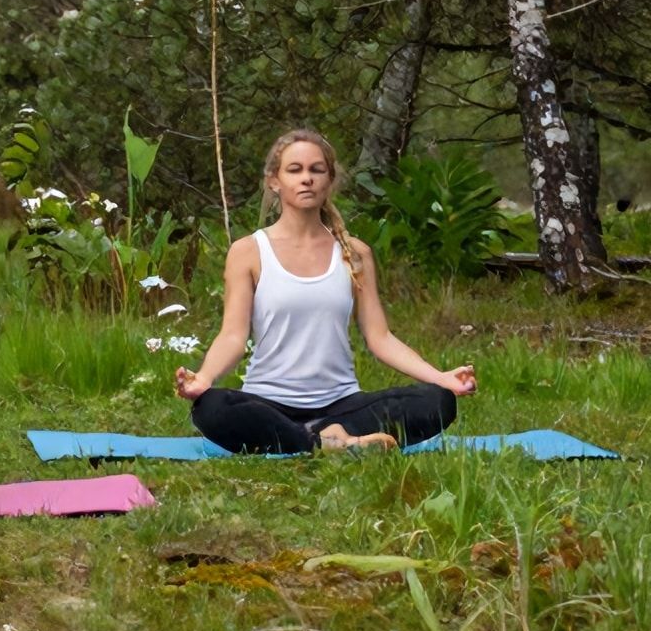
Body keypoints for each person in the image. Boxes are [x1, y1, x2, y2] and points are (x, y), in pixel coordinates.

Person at [174, 129, 477, 453]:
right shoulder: (248, 251)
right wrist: (204, 378)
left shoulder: (355, 253)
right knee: (211, 408)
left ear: (329, 180)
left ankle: (315, 439)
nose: (307, 179)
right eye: (295, 170)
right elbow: (233, 337)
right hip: (267, 405)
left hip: (342, 407)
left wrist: (440, 377)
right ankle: (324, 442)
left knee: (437, 402)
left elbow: (380, 338)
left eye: (316, 170)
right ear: (274, 181)